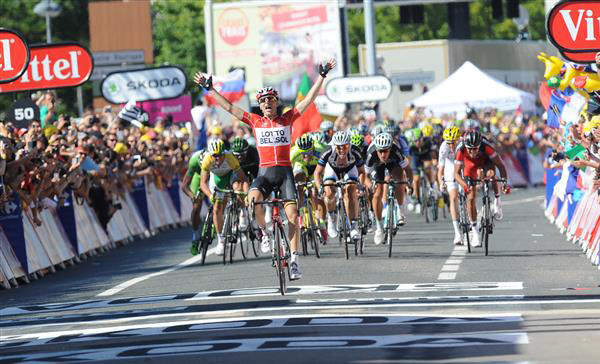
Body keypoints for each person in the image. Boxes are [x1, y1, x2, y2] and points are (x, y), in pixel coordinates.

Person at [193, 58, 337, 280]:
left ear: (276, 102)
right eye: (263, 101)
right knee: (252, 200)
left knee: (292, 216)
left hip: (285, 173)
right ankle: (264, 234)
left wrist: (322, 76)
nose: (267, 103)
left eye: (271, 100)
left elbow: (308, 100)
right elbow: (230, 107)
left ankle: (295, 260)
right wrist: (211, 89)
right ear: (259, 106)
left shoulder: (288, 118)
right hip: (265, 173)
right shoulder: (255, 121)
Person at [454, 130, 510, 247]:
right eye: (470, 149)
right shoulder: (460, 150)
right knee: (470, 198)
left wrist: (504, 182)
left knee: (491, 174)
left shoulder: (487, 147)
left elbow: (500, 165)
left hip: (485, 161)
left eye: (475, 149)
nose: (472, 151)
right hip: (469, 165)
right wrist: (464, 185)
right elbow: (456, 174)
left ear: (480, 146)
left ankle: (497, 200)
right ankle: (475, 232)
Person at [199, 139, 248, 255]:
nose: (218, 159)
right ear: (211, 155)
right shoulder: (207, 161)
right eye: (215, 156)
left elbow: (243, 178)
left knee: (238, 188)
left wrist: (245, 195)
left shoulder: (230, 157)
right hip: (217, 179)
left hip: (230, 175)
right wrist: (210, 195)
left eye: (220, 155)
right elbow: (203, 183)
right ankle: (221, 240)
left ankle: (243, 212)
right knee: (216, 209)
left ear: (223, 153)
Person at [314, 131, 366, 242]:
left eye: (345, 146)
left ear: (349, 145)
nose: (342, 150)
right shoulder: (328, 150)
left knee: (350, 191)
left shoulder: (355, 151)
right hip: (332, 170)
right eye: (339, 147)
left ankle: (354, 225)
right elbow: (317, 173)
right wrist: (320, 188)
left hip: (350, 170)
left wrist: (360, 186)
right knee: (329, 192)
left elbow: (362, 171)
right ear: (334, 146)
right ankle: (332, 219)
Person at [365, 132, 414, 245]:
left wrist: (409, 184)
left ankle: (401, 210)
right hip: (377, 167)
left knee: (399, 181)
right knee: (377, 194)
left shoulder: (396, 151)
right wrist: (370, 186)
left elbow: (408, 170)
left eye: (386, 151)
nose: (383, 154)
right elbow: (364, 176)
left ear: (390, 148)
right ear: (376, 149)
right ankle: (378, 227)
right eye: (380, 151)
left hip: (394, 164)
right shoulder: (371, 154)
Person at [437, 126, 462, 245]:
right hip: (450, 167)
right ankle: (457, 233)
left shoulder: (463, 143)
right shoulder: (443, 147)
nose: (451, 145)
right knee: (452, 198)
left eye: (454, 142)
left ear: (458, 139)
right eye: (449, 143)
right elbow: (440, 169)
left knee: (469, 193)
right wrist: (441, 182)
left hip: (463, 165)